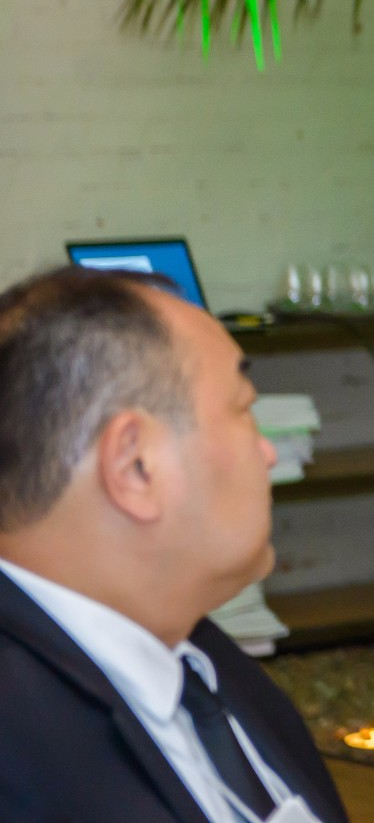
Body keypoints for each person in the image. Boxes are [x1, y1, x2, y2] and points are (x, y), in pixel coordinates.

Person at [0, 267, 351, 823]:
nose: (267, 453)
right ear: (137, 467)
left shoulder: (205, 661)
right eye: (243, 408)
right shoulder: (22, 751)